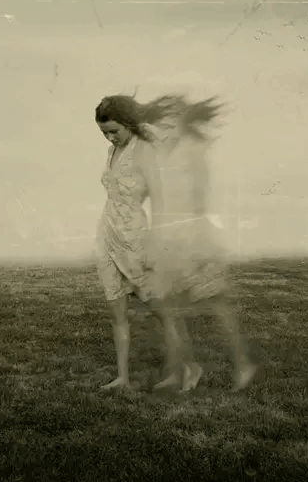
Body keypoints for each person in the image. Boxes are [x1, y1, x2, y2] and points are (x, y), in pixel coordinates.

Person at [147, 95, 257, 393]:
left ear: (183, 120)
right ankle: (181, 370)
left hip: (193, 237)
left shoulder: (194, 148)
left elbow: (198, 201)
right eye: (162, 121)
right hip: (165, 238)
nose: (166, 126)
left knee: (217, 303)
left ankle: (243, 365)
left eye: (173, 119)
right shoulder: (158, 152)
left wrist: (193, 246)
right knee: (167, 308)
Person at [94, 93, 184, 391]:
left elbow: (159, 199)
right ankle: (123, 378)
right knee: (116, 312)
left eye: (114, 131)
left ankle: (181, 370)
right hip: (107, 236)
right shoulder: (112, 151)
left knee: (160, 309)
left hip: (135, 239)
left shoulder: (143, 150)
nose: (110, 138)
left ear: (128, 124)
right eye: (104, 133)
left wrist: (157, 243)